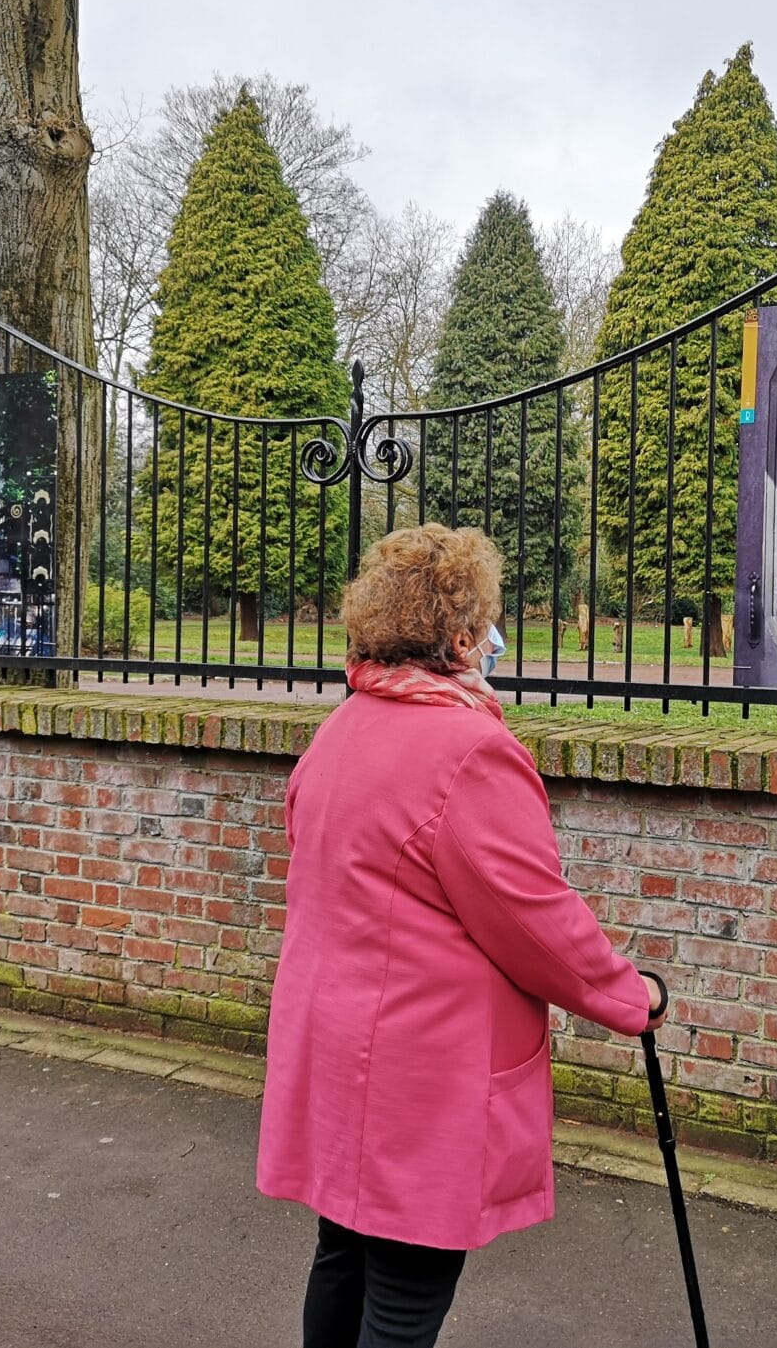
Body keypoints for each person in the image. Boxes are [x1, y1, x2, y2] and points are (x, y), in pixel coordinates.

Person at [257, 523, 668, 1348]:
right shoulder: (471, 749)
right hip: (418, 1068)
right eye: (487, 626)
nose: (493, 641)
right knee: (405, 1299)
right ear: (459, 637)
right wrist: (633, 996)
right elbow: (535, 920)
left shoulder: (342, 728)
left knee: (342, 1256)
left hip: (337, 1048)